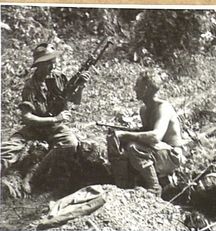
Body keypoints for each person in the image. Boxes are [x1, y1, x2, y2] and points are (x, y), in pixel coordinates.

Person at [1, 43, 90, 194]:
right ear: (39, 65)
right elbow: (27, 117)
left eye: (53, 62)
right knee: (9, 148)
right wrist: (55, 119)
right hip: (35, 126)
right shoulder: (30, 85)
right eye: (48, 63)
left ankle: (33, 175)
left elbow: (76, 101)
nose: (52, 66)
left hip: (55, 128)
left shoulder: (59, 78)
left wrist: (80, 86)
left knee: (71, 143)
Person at [107, 70, 185, 197]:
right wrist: (123, 134)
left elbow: (155, 136)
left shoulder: (163, 108)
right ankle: (122, 183)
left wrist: (125, 134)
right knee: (115, 139)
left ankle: (154, 187)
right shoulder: (144, 109)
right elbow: (146, 132)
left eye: (138, 85)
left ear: (146, 88)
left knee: (134, 147)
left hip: (172, 156)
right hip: (158, 152)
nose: (134, 88)